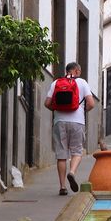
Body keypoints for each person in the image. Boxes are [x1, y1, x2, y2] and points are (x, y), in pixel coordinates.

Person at [45, 62, 96, 195]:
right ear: (77, 71)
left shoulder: (56, 82)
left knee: (61, 155)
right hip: (77, 122)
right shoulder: (82, 83)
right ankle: (72, 172)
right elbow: (91, 103)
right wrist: (81, 111)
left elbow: (47, 103)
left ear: (67, 71)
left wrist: (57, 110)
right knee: (77, 152)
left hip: (59, 122)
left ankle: (62, 187)